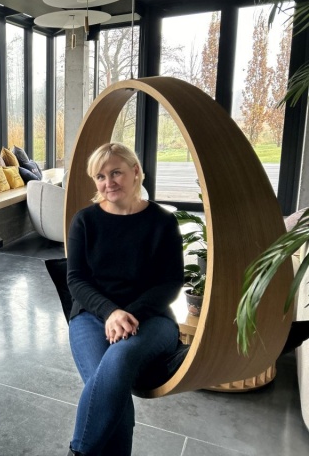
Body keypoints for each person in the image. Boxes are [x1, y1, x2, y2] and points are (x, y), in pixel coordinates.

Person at [65, 143, 184, 456]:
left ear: (135, 171)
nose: (109, 182)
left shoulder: (162, 222)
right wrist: (110, 312)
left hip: (153, 318)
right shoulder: (85, 221)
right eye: (100, 177)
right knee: (111, 389)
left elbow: (171, 282)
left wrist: (128, 314)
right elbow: (76, 280)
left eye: (115, 172)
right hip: (91, 317)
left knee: (117, 363)